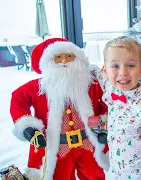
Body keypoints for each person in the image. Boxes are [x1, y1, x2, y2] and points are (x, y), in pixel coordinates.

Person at [10, 38, 109, 180]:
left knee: (95, 176)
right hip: (57, 148)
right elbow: (18, 98)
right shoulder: (39, 87)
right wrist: (27, 127)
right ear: (49, 62)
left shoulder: (91, 83)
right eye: (58, 58)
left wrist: (104, 125)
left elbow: (108, 103)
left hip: (88, 145)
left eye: (69, 56)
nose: (64, 62)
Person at [90, 36, 141, 179]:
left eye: (130, 65)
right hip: (116, 173)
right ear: (106, 71)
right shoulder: (111, 89)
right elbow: (97, 72)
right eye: (115, 66)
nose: (123, 72)